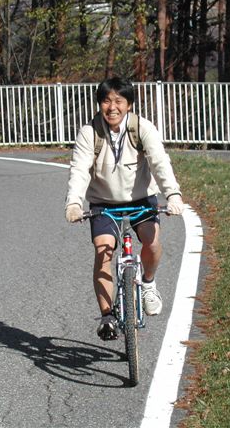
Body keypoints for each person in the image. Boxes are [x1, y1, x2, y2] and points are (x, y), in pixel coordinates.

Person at [64, 77, 185, 341]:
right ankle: (107, 316)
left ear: (129, 104)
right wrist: (73, 202)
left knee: (151, 241)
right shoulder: (89, 133)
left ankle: (148, 283)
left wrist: (173, 194)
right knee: (103, 249)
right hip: (104, 202)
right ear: (99, 104)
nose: (112, 107)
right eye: (106, 101)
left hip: (141, 198)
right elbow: (80, 169)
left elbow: (159, 162)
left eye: (119, 101)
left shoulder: (142, 128)